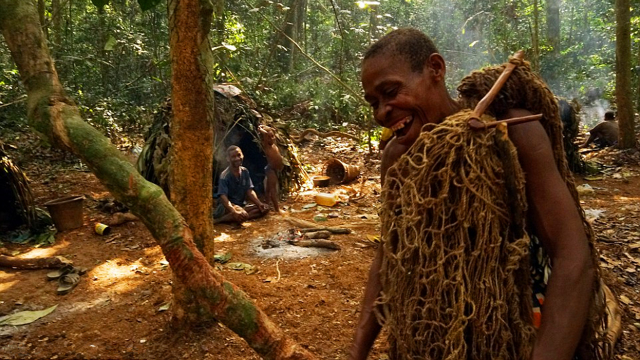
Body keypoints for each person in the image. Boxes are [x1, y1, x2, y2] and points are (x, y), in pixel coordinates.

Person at [351, 28, 609, 360]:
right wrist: (357, 350)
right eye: (374, 102)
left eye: (390, 92)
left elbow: (573, 256)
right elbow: (389, 253)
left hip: (521, 330)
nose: (382, 111)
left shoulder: (509, 133)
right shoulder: (398, 159)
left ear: (435, 69)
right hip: (434, 340)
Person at [214, 145, 269, 224]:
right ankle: (221, 220)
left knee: (265, 208)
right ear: (228, 159)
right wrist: (233, 211)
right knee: (241, 212)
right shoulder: (225, 176)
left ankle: (240, 217)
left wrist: (259, 203)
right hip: (227, 206)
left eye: (239, 155)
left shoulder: (245, 171)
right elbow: (223, 198)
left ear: (242, 155)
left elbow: (249, 191)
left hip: (240, 205)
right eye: (233, 157)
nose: (237, 158)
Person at [258, 125, 285, 213]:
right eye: (269, 137)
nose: (271, 138)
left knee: (268, 189)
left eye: (272, 136)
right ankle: (277, 209)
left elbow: (273, 129)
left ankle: (267, 204)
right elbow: (265, 134)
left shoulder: (274, 145)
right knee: (273, 190)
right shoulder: (267, 146)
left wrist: (265, 126)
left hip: (275, 169)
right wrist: (261, 129)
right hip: (271, 170)